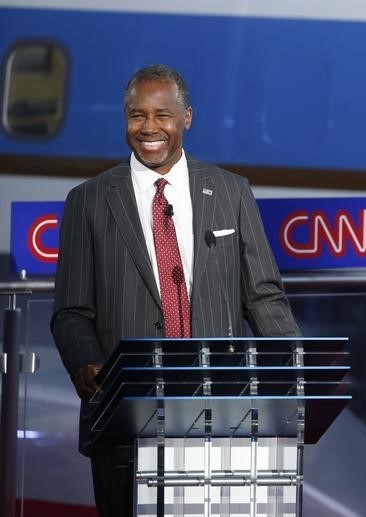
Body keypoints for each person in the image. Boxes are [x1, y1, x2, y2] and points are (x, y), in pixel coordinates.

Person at [51, 64, 300, 517]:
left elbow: (263, 295)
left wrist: (294, 368)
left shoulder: (230, 192)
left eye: (162, 115)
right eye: (136, 115)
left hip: (220, 414)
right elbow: (70, 310)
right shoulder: (87, 200)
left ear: (187, 117)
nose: (148, 128)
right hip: (125, 418)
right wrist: (85, 362)